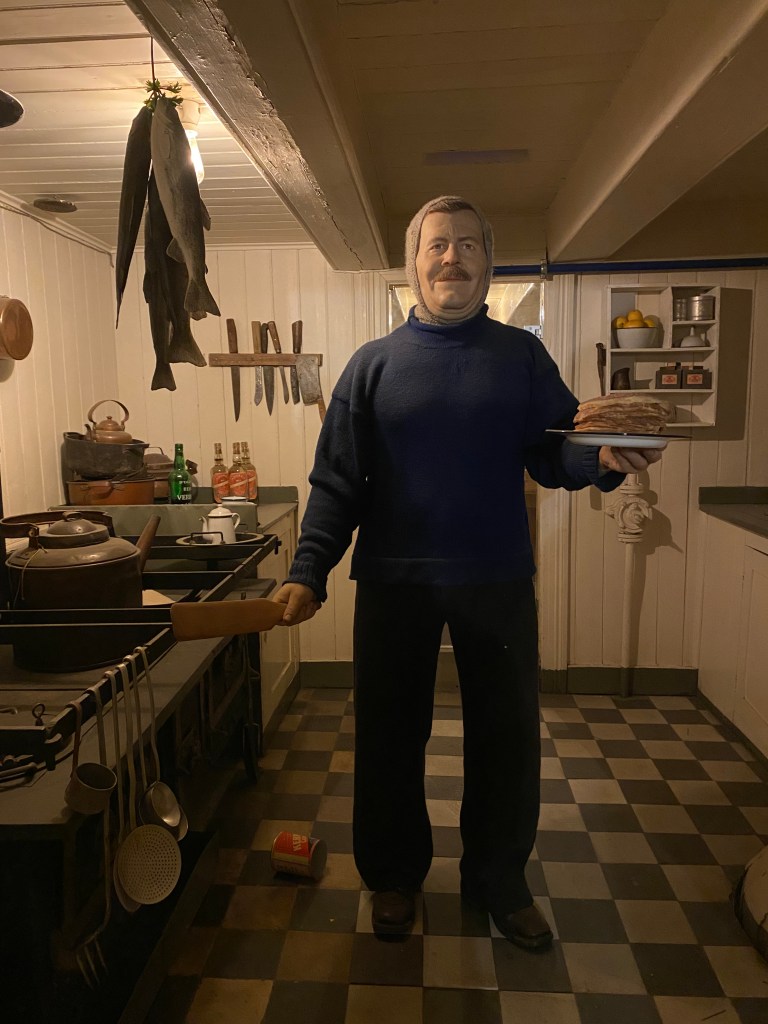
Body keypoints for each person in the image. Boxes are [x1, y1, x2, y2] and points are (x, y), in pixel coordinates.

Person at [272, 195, 664, 950]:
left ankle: (498, 880)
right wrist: (309, 570)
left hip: (496, 579)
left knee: (507, 738)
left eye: (468, 245)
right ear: (414, 264)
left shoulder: (521, 358)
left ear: (487, 262)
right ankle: (393, 876)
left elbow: (557, 452)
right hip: (394, 582)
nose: (451, 257)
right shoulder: (372, 366)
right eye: (437, 245)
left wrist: (605, 459)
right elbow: (337, 484)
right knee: (389, 736)